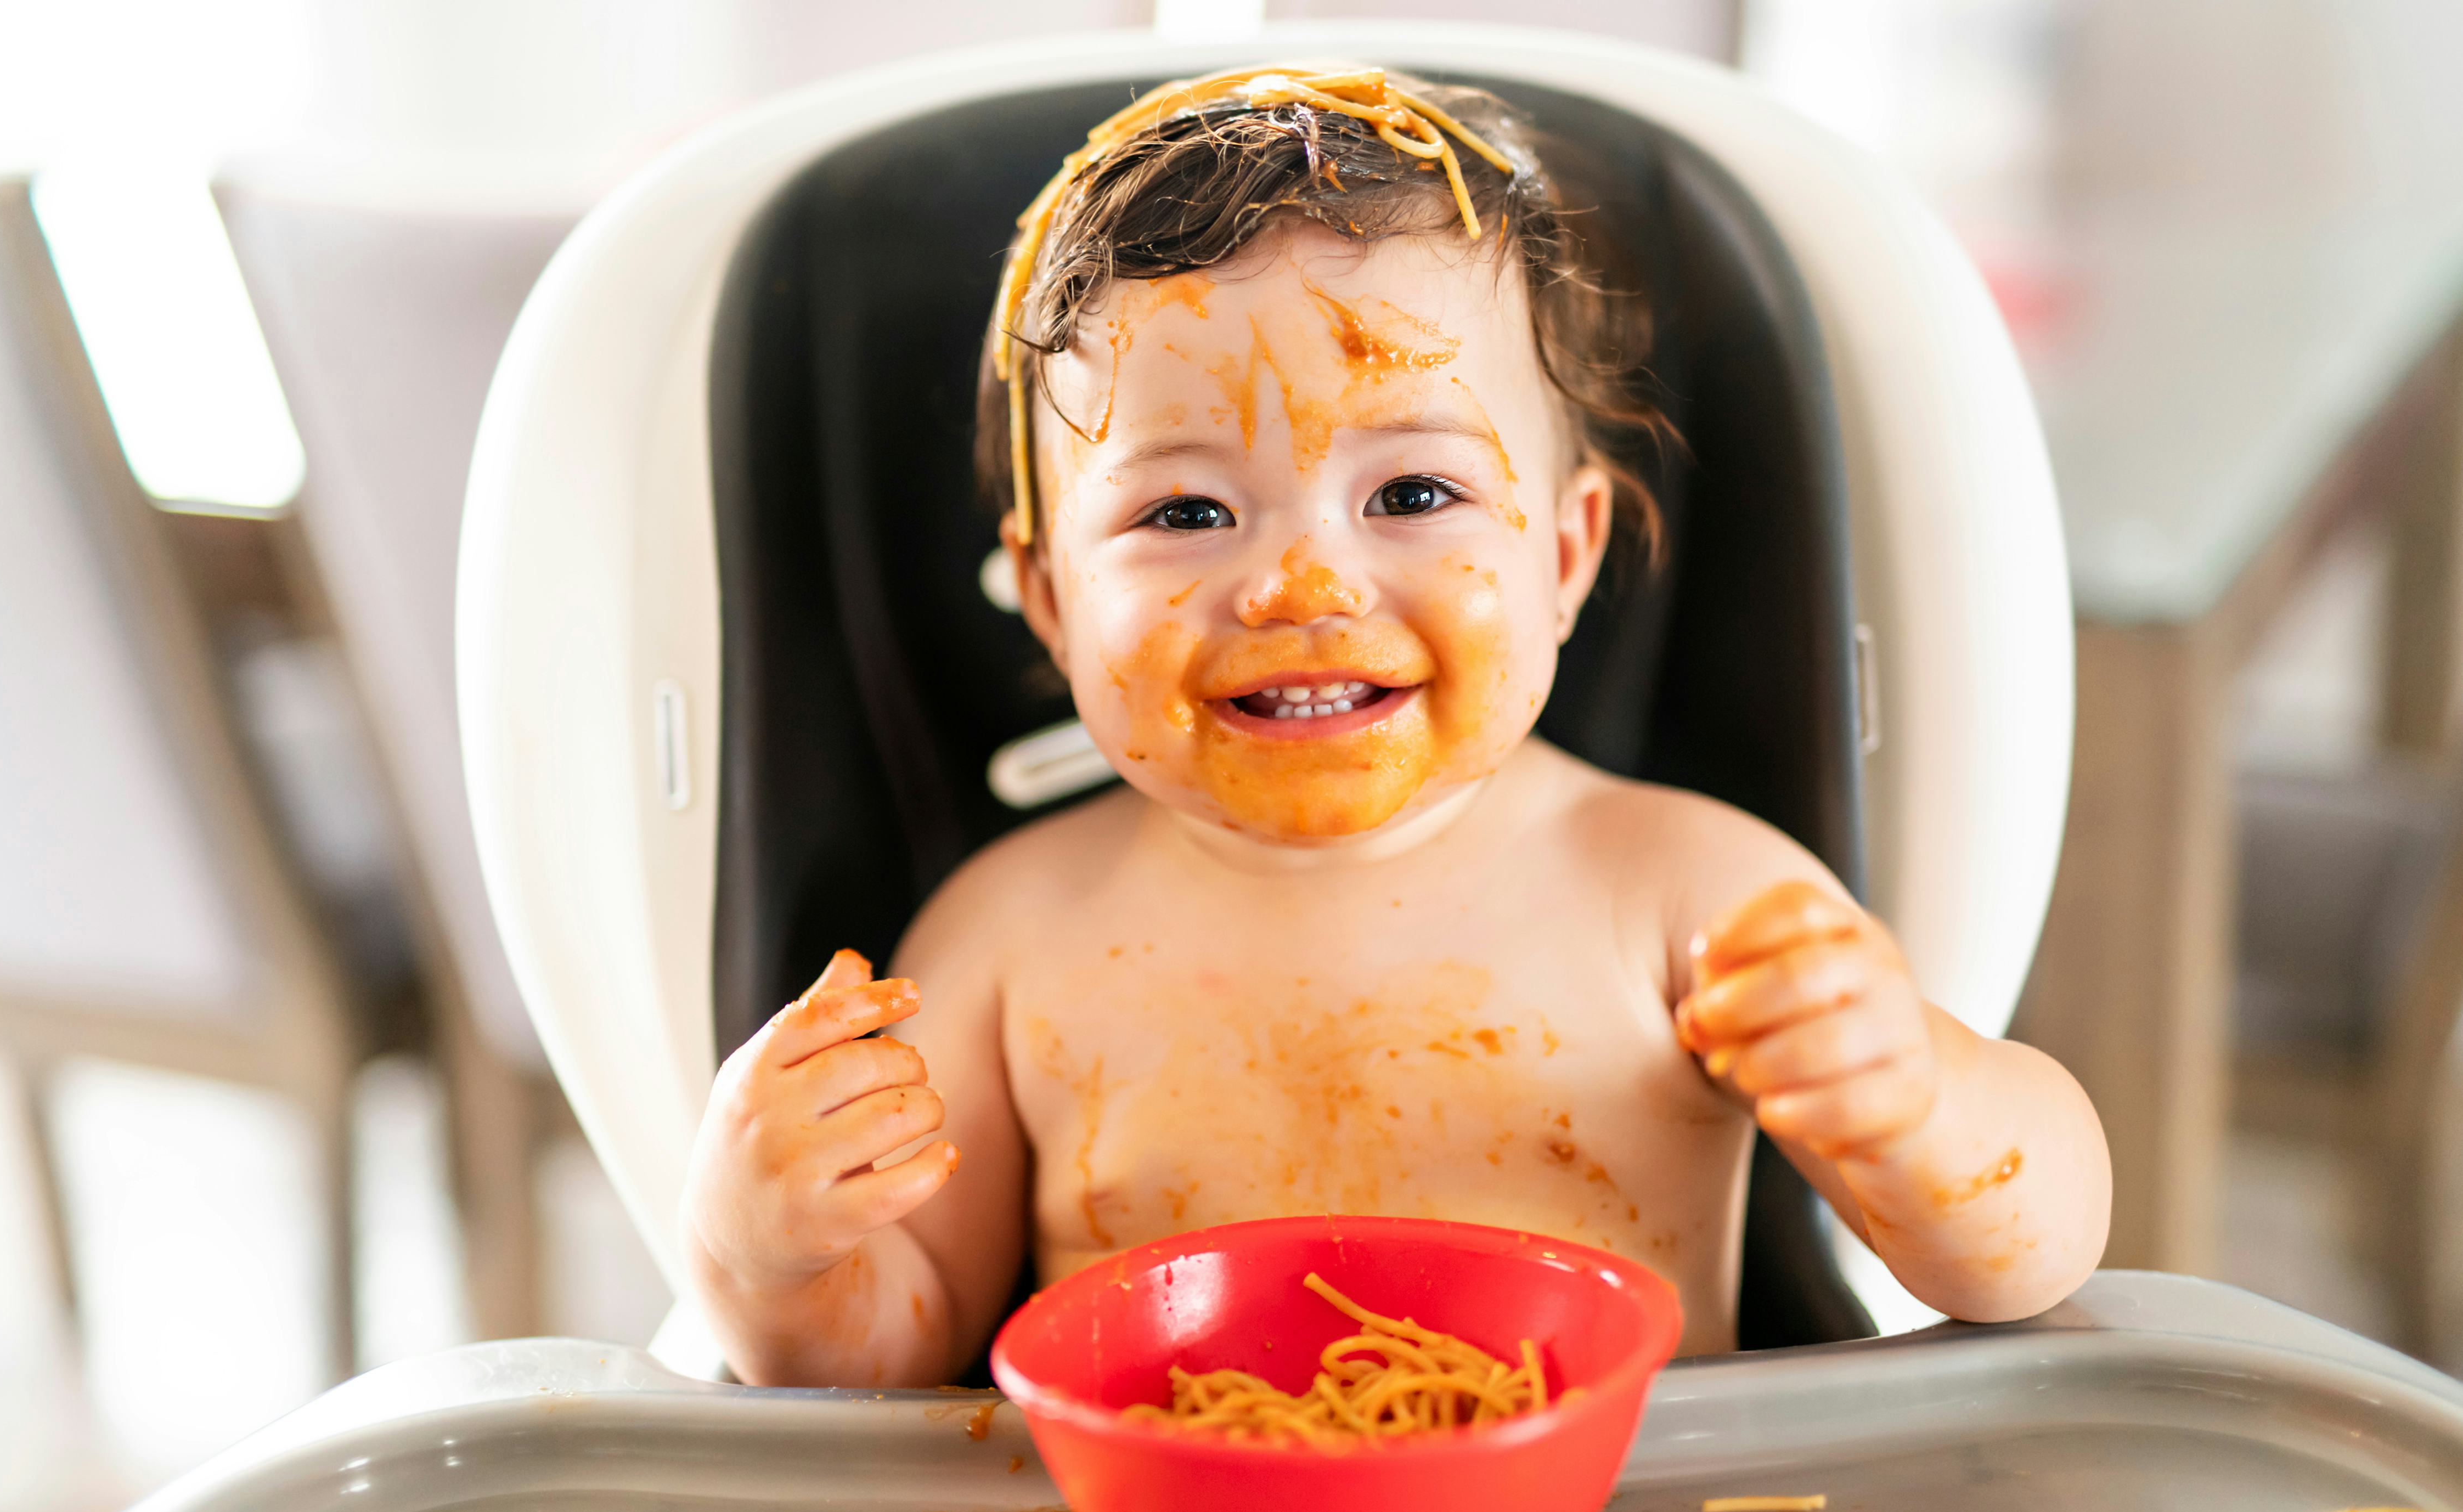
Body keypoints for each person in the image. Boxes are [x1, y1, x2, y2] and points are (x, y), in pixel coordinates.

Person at [680, 67, 2110, 1386]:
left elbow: (2025, 1256)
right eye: (1184, 514)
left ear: (1562, 557)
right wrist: (769, 1255)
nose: (1301, 587)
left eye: (1411, 497)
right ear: (1049, 603)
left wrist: (1919, 1106)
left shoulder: (1688, 898)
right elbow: (883, 1377)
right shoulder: (1007, 944)